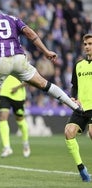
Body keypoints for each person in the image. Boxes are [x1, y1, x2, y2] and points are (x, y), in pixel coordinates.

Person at [0, 6, 82, 150]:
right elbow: (30, 33)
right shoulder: (13, 18)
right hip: (19, 58)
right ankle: (75, 106)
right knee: (45, 84)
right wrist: (45, 51)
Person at [64, 33, 92, 182]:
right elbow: (74, 86)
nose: (87, 46)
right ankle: (82, 169)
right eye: (85, 44)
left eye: (90, 44)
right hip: (81, 108)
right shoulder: (78, 65)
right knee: (68, 132)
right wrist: (73, 98)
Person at [0, 75, 30, 158]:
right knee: (2, 118)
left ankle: (25, 144)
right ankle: (7, 147)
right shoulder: (3, 63)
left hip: (18, 96)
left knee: (20, 121)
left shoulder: (22, 64)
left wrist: (17, 87)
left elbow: (29, 80)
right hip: (4, 93)